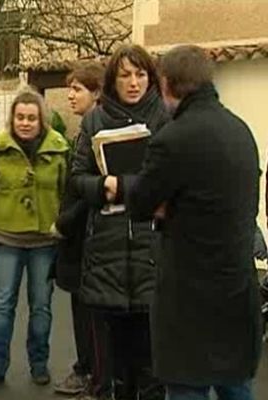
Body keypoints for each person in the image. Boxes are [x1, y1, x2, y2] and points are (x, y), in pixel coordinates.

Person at [114, 44, 262, 400]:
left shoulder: (172, 140)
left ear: (166, 85)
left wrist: (163, 204)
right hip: (236, 290)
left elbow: (138, 204)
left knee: (186, 390)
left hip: (188, 298)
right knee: (236, 386)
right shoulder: (241, 131)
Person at [68, 44, 170, 400]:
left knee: (152, 366)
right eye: (125, 75)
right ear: (112, 79)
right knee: (113, 370)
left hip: (151, 248)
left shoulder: (166, 117)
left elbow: (172, 178)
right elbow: (76, 177)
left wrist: (126, 185)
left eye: (140, 74)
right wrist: (102, 186)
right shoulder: (94, 119)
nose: (133, 82)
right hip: (106, 249)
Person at [0, 89, 68, 390]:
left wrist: (65, 232)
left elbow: (67, 195)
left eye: (32, 118)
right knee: (2, 306)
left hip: (45, 241)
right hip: (7, 241)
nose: (25, 123)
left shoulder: (60, 150)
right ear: (12, 119)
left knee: (41, 307)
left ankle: (39, 363)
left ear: (42, 120)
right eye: (20, 117)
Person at [54, 61, 112, 399]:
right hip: (76, 238)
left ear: (97, 92)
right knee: (81, 308)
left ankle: (91, 373)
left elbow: (90, 190)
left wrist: (64, 222)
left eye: (77, 89)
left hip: (85, 237)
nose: (70, 95)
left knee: (90, 313)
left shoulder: (98, 133)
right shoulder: (84, 130)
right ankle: (87, 369)